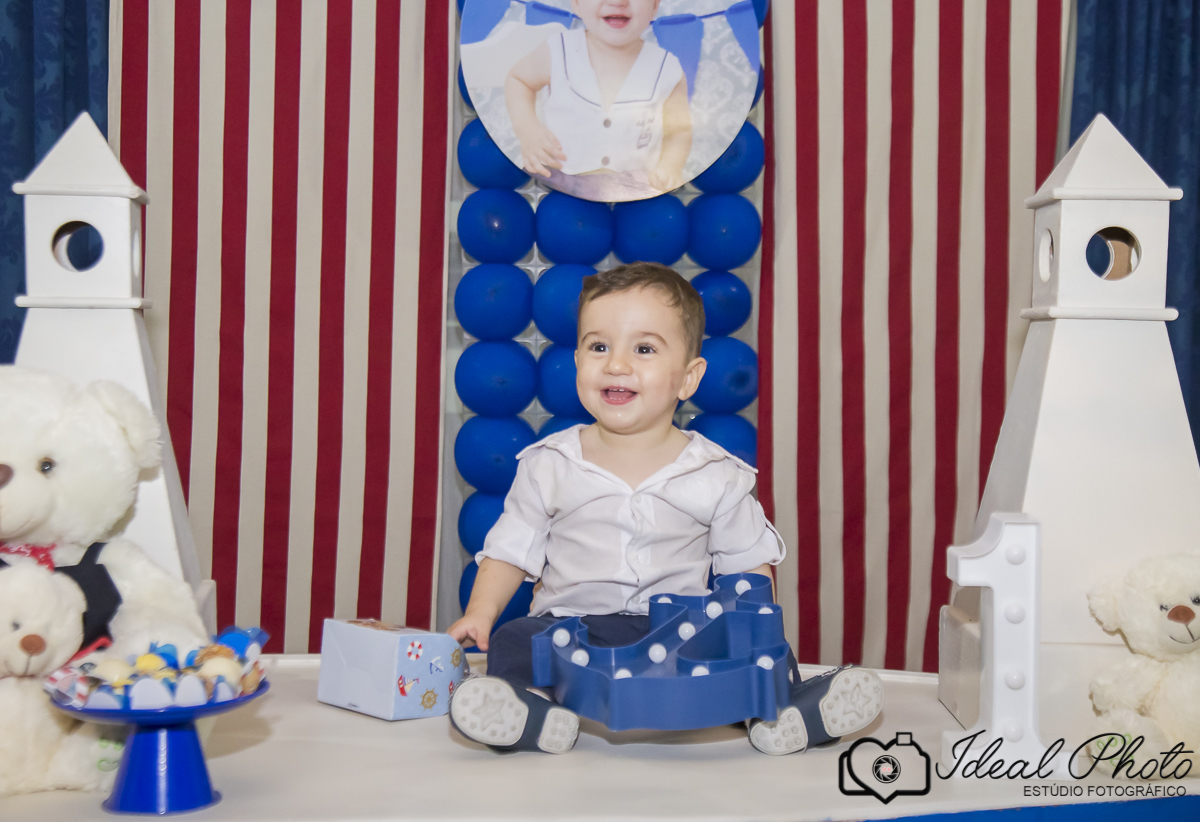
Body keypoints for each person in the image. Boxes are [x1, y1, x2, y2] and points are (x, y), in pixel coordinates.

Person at [447, 262, 884, 755]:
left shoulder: (718, 472)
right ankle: (533, 714)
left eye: (644, 349)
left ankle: (781, 712)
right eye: (598, 346)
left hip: (682, 630)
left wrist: (756, 636)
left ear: (688, 378)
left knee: (761, 648)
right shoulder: (548, 464)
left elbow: (749, 569)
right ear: (577, 363)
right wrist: (480, 612)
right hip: (574, 627)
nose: (616, 364)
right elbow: (509, 551)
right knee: (516, 640)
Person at [505, 0, 692, 201]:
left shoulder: (667, 69)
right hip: (558, 181)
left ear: (655, 6)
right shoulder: (559, 50)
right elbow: (519, 80)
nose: (618, 2)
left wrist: (670, 166)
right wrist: (528, 130)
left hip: (635, 190)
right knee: (559, 216)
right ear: (576, 3)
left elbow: (679, 130)